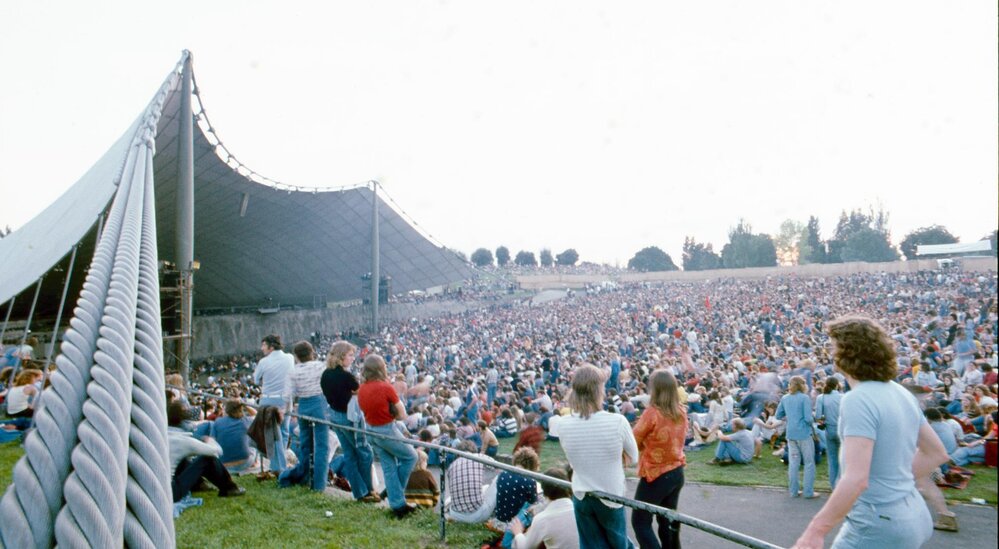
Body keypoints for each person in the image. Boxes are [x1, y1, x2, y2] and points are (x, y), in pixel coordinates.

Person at [792, 315, 950, 549]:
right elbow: (937, 453)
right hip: (913, 514)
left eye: (833, 347)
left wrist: (814, 532)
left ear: (847, 353)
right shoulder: (900, 391)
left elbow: (856, 479)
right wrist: (897, 481)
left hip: (879, 523)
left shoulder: (858, 399)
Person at [558, 363, 639, 549]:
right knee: (619, 544)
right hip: (610, 494)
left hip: (581, 493)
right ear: (598, 390)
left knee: (592, 546)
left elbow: (574, 457)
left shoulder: (563, 424)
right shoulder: (617, 421)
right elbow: (634, 457)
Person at [358, 353, 419, 518]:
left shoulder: (361, 388)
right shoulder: (385, 387)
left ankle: (397, 503)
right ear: (381, 369)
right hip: (386, 429)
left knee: (388, 466)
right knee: (411, 457)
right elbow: (402, 414)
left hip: (370, 429)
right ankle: (395, 495)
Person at [631, 369, 687, 549]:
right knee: (668, 522)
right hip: (676, 471)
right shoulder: (681, 411)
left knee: (640, 522)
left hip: (656, 474)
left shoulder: (652, 413)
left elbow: (633, 440)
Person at [321, 340, 380, 503]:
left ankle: (360, 492)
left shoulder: (326, 374)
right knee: (364, 451)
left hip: (335, 415)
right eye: (350, 355)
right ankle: (369, 489)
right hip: (350, 417)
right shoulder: (346, 376)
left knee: (349, 453)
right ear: (341, 357)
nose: (353, 358)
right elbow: (360, 392)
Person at [167, 400, 245, 501]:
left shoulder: (161, 435)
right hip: (171, 492)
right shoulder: (183, 441)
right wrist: (209, 440)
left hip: (159, 487)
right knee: (207, 459)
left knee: (183, 461)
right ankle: (229, 488)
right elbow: (216, 451)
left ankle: (198, 485)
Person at [278, 341, 330, 491]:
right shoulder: (321, 366)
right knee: (322, 446)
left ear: (296, 356)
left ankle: (303, 476)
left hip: (303, 406)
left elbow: (288, 395)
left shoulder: (293, 371)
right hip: (319, 404)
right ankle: (319, 485)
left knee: (306, 444)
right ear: (312, 352)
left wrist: (286, 410)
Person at [510, 467, 580, 549]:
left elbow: (525, 547)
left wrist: (518, 533)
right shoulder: (580, 510)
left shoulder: (542, 519)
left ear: (544, 491)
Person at [253, 334, 293, 472]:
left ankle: (278, 467)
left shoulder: (264, 362)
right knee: (284, 432)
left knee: (272, 434)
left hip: (269, 399)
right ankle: (281, 464)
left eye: (263, 345)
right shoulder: (290, 358)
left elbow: (256, 380)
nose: (261, 348)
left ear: (271, 346)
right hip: (286, 399)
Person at [777, 376, 816, 499]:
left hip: (791, 433)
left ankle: (793, 491)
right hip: (803, 433)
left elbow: (779, 415)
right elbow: (808, 418)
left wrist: (791, 416)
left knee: (794, 463)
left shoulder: (785, 398)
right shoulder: (804, 398)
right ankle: (808, 492)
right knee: (809, 462)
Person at [212, 398, 256, 472]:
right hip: (244, 463)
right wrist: (245, 405)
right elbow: (256, 414)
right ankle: (255, 464)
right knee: (253, 443)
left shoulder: (218, 421)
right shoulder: (246, 421)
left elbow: (212, 440)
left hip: (223, 464)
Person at [814, 377, 843, 489]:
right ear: (837, 385)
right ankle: (840, 484)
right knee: (842, 458)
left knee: (832, 459)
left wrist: (824, 419)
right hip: (841, 429)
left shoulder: (821, 397)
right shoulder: (843, 397)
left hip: (829, 429)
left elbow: (818, 416)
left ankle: (833, 486)